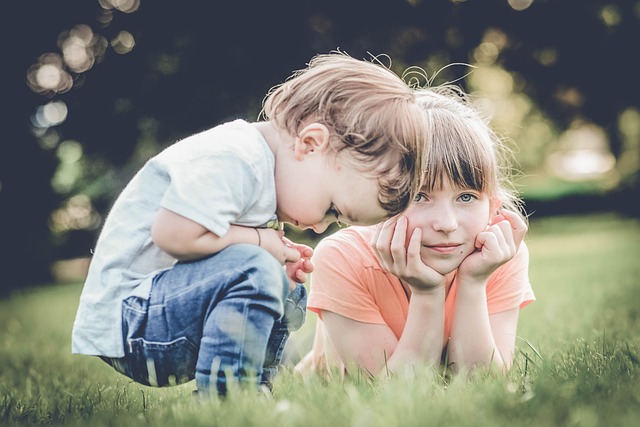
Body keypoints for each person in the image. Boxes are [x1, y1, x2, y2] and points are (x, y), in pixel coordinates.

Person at [71, 51, 431, 396]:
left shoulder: (264, 172)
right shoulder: (235, 159)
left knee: (287, 284)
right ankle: (226, 398)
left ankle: (253, 390)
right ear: (309, 144)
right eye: (333, 209)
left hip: (164, 310)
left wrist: (274, 264)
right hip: (131, 323)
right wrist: (262, 244)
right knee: (258, 267)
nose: (321, 228)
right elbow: (172, 233)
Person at [294, 85, 534, 378]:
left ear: (492, 206)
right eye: (420, 196)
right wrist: (427, 292)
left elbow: (482, 384)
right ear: (382, 197)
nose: (446, 223)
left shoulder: (499, 256)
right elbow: (390, 395)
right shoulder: (341, 257)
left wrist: (473, 283)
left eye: (467, 197)